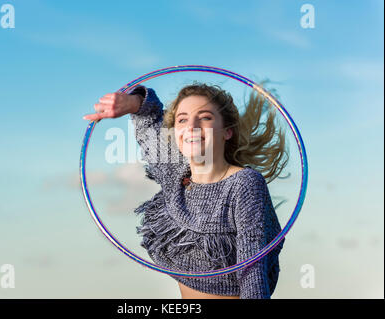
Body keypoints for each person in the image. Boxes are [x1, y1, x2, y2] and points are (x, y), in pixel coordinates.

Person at [83, 82, 289, 299]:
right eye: (182, 119)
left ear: (227, 132)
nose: (192, 125)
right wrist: (133, 102)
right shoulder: (175, 174)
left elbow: (252, 273)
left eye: (205, 117)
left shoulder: (244, 184)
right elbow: (149, 122)